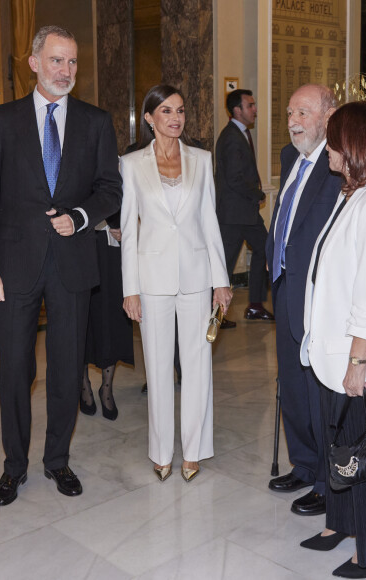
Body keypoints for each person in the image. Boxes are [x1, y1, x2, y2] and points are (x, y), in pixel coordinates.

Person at [0, 25, 122, 506]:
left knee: (64, 369)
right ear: (34, 62)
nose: (67, 71)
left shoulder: (96, 122)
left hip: (72, 265)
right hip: (13, 267)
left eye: (73, 62)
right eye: (57, 60)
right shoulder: (2, 119)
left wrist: (79, 218)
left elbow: (110, 190)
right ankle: (13, 467)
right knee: (15, 370)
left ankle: (57, 461)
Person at [299, 101, 366, 578]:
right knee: (347, 450)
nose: (327, 147)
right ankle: (346, 526)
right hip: (337, 353)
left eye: (333, 139)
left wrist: (358, 361)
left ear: (353, 145)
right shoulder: (350, 195)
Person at [121, 85, 232, 483]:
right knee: (158, 366)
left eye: (180, 110)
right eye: (166, 111)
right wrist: (129, 289)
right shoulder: (131, 165)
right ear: (149, 118)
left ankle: (196, 449)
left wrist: (221, 281)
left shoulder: (201, 160)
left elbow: (209, 222)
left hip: (197, 278)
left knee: (198, 364)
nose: (175, 118)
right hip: (151, 281)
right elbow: (129, 231)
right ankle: (161, 450)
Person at [265, 84, 341, 515]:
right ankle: (304, 463)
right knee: (292, 385)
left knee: (317, 391)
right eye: (291, 112)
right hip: (285, 287)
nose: (293, 121)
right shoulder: (290, 156)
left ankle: (328, 482)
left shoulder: (337, 163)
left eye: (304, 113)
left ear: (329, 117)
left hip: (317, 293)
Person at [216, 89, 273, 325]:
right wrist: (257, 194)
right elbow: (234, 178)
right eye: (250, 105)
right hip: (234, 214)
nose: (255, 109)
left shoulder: (238, 134)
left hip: (244, 213)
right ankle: (216, 315)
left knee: (265, 249)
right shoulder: (231, 137)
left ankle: (255, 305)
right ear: (237, 110)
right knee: (224, 265)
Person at [80, 212, 134, 421]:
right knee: (82, 318)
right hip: (79, 244)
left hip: (110, 245)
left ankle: (107, 388)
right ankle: (83, 384)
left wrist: (123, 224)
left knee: (112, 315)